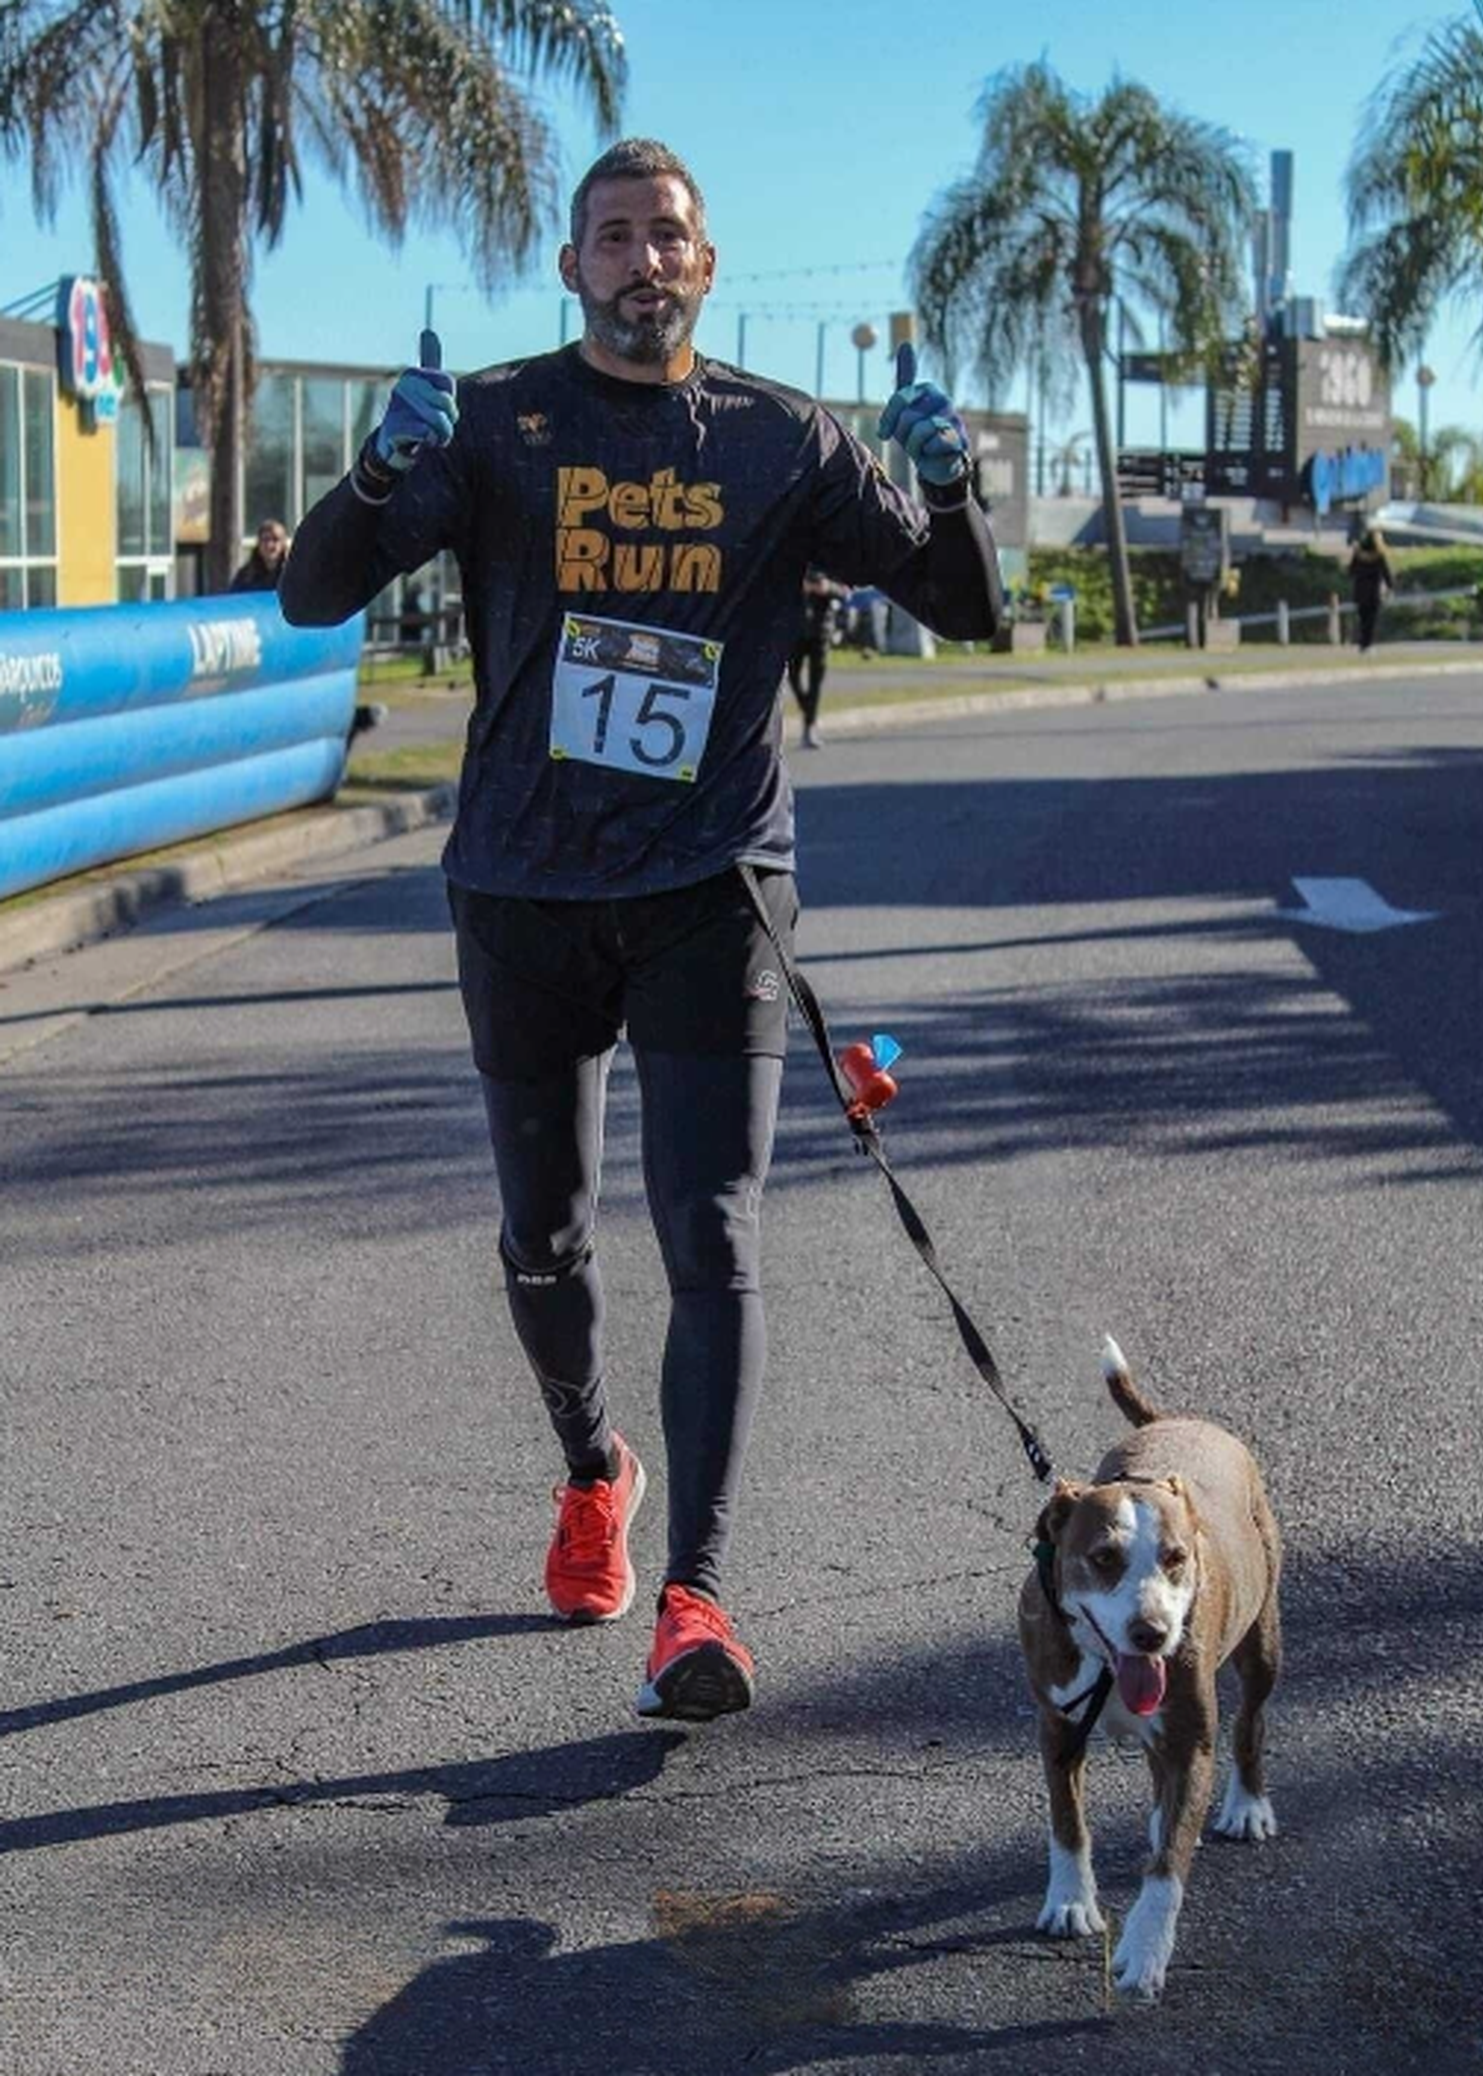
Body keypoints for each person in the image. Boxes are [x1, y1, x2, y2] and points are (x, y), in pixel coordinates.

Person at [280, 137, 998, 1723]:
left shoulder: (780, 437)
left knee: (712, 1228)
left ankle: (699, 1594)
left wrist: (950, 486)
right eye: (612, 236)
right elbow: (314, 598)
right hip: (524, 883)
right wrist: (383, 472)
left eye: (666, 233)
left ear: (707, 262)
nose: (641, 259)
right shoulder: (491, 425)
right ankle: (594, 1461)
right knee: (545, 1234)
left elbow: (963, 606)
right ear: (572, 267)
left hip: (710, 883)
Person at [787, 567, 848, 748]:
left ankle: (809, 728)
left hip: (821, 631)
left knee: (815, 682)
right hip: (796, 630)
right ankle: (809, 712)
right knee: (792, 675)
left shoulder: (829, 558)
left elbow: (845, 592)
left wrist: (828, 587)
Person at [1349, 527, 1395, 651]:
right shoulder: (1379, 555)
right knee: (1371, 619)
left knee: (1362, 618)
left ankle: (1362, 643)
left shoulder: (1358, 554)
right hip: (1374, 591)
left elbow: (1351, 571)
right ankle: (1368, 644)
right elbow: (1386, 572)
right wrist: (1391, 586)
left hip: (1360, 590)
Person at [230, 518, 291, 592]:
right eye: (265, 539)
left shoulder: (292, 573)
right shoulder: (245, 576)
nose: (269, 545)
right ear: (258, 544)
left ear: (283, 543)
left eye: (275, 539)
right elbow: (234, 599)